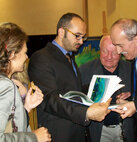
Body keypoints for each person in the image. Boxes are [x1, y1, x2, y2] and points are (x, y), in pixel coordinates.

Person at [28, 13, 111, 142]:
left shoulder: (69, 56)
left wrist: (102, 87)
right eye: (77, 36)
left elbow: (72, 90)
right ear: (61, 32)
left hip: (77, 133)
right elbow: (49, 99)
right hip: (58, 135)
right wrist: (86, 113)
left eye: (83, 37)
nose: (81, 41)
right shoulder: (41, 58)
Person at [0, 22, 51, 142]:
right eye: (25, 52)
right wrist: (34, 137)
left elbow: (8, 125)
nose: (26, 57)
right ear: (11, 54)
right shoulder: (2, 86)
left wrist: (26, 107)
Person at [79, 35, 135, 142]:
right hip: (99, 130)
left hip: (126, 128)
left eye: (114, 53)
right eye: (105, 51)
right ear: (99, 50)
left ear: (120, 51)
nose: (109, 57)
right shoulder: (84, 71)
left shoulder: (131, 70)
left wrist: (131, 97)